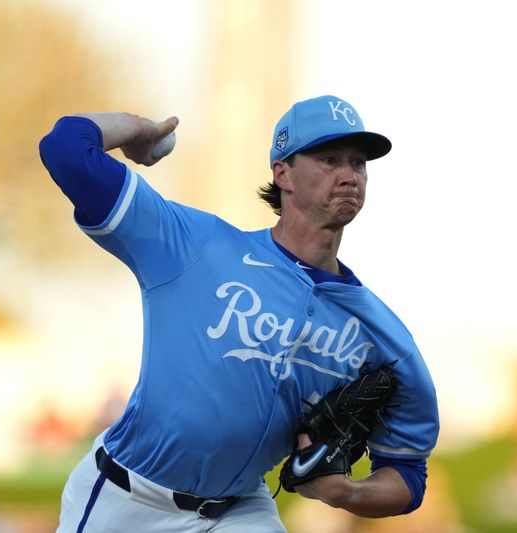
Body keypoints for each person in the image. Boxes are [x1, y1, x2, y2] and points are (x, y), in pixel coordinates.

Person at [38, 95, 440, 532]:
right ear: (282, 172)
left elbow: (407, 474)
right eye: (329, 159)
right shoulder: (195, 246)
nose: (348, 175)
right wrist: (136, 128)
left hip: (238, 510)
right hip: (129, 499)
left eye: (358, 164)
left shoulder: (381, 335)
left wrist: (347, 493)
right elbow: (66, 148)